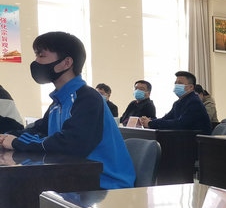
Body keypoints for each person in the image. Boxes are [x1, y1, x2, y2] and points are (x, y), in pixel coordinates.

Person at [0, 32, 135, 189]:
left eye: (41, 56)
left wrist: (16, 142)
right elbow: (38, 130)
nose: (36, 62)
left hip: (104, 184)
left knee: (18, 191)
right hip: (75, 177)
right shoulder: (58, 102)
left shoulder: (87, 98)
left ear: (66, 62)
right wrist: (6, 137)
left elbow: (71, 144)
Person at [140, 71, 212, 134]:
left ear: (191, 87)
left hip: (196, 140)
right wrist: (148, 120)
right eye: (175, 83)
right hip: (182, 137)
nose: (176, 85)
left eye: (180, 83)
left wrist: (151, 123)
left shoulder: (194, 102)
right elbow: (165, 119)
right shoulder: (178, 103)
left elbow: (180, 124)